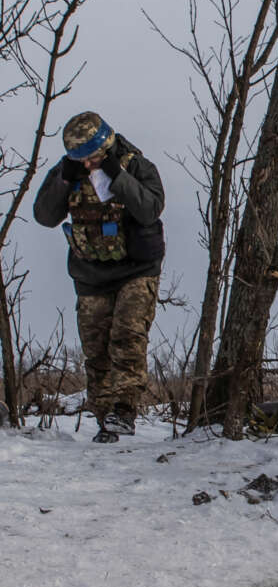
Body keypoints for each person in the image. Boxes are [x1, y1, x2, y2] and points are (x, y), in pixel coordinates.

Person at [34, 111, 165, 443]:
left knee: (128, 335)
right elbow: (45, 215)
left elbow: (150, 208)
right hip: (90, 274)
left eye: (92, 157)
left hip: (135, 269)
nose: (88, 164)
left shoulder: (135, 165)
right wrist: (64, 179)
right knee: (96, 350)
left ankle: (124, 410)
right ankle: (106, 419)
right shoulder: (70, 171)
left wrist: (116, 175)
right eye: (81, 159)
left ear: (105, 147)